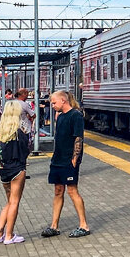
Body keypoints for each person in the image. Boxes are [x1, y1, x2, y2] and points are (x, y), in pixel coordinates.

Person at [41, 89, 89, 238]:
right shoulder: (60, 117)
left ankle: (84, 225)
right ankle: (54, 226)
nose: (52, 105)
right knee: (58, 191)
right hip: (57, 160)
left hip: (69, 160)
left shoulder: (76, 116)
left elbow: (78, 138)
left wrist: (75, 160)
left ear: (63, 100)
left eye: (54, 102)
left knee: (72, 191)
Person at [0, 100, 29, 244]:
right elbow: (26, 151)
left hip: (2, 170)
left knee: (8, 202)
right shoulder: (19, 132)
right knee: (14, 202)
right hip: (17, 169)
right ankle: (9, 235)